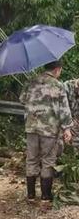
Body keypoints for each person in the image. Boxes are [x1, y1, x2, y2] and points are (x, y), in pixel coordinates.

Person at [19, 60, 72, 209]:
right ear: (57, 69)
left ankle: (30, 196)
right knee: (48, 161)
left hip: (31, 128)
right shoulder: (58, 85)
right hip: (49, 130)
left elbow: (22, 99)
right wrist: (67, 129)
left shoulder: (31, 82)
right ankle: (45, 197)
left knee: (31, 159)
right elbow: (64, 110)